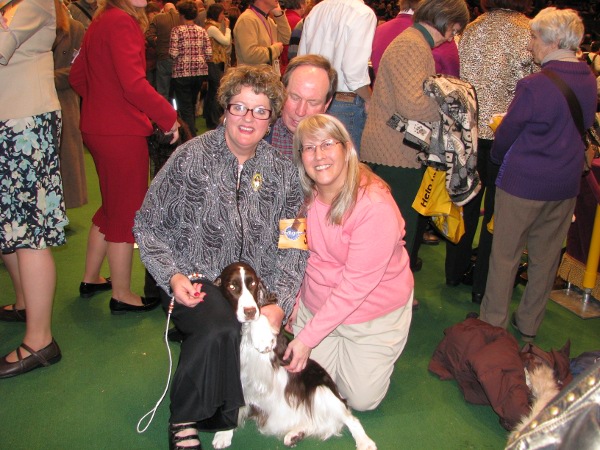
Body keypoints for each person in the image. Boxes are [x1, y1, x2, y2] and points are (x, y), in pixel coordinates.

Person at [133, 65, 308, 450]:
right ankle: (184, 417)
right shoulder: (188, 158)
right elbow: (147, 224)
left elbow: (294, 245)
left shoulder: (283, 174)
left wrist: (278, 301)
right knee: (220, 326)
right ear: (224, 110)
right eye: (239, 107)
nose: (248, 118)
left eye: (260, 110)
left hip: (257, 289)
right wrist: (172, 275)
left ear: (271, 119)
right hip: (194, 278)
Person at [479, 7, 597, 341]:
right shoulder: (588, 78)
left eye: (533, 37)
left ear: (553, 40)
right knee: (545, 260)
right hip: (565, 183)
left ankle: (492, 325)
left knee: (505, 256)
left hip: (523, 183)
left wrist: (499, 159)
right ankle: (528, 325)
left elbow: (506, 134)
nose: (529, 45)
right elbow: (584, 124)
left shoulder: (533, 85)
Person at [284, 114, 414, 411]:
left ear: (347, 149)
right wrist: (294, 304)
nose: (319, 155)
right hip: (317, 303)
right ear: (300, 156)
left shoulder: (374, 206)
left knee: (360, 400)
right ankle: (343, 352)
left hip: (371, 311)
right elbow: (292, 255)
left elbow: (356, 286)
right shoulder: (297, 198)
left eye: (328, 144)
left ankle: (373, 349)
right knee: (309, 389)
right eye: (309, 148)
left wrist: (306, 338)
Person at [69, 0, 179, 314]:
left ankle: (91, 279)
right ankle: (122, 294)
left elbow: (78, 77)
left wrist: (102, 102)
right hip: (120, 132)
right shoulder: (122, 22)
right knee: (127, 212)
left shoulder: (102, 20)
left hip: (98, 126)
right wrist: (168, 117)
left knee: (112, 205)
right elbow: (133, 84)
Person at [360, 0, 469, 277]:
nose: (454, 33)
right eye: (456, 27)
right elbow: (413, 105)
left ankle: (389, 289)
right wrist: (449, 104)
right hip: (394, 152)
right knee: (397, 229)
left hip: (393, 148)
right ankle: (393, 292)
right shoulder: (413, 45)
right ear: (448, 20)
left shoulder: (413, 42)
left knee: (389, 228)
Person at [0, 0, 68, 378]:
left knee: (30, 231)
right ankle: (26, 302)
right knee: (12, 225)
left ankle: (40, 340)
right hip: (11, 121)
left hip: (25, 124)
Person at [456, 0, 536, 304]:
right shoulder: (528, 32)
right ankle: (482, 284)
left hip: (469, 131)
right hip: (505, 134)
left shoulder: (472, 28)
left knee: (467, 203)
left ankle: (455, 270)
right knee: (496, 213)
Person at [298, 0, 376, 155]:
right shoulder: (363, 13)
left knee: (315, 160)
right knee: (346, 168)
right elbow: (353, 72)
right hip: (345, 103)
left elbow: (303, 60)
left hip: (316, 100)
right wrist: (370, 99)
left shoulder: (317, 10)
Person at [266, 54, 337, 158]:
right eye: (295, 97)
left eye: (312, 102)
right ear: (282, 92)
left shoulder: (336, 145)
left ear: (327, 104)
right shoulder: (260, 132)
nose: (300, 111)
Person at [53, 1, 88, 209]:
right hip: (31, 105)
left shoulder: (75, 29)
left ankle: (62, 207)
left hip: (65, 102)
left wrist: (44, 77)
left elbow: (78, 71)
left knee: (67, 160)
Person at [169, 0, 212, 137]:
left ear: (181, 15)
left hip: (181, 73)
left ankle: (190, 136)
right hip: (199, 72)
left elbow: (173, 53)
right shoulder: (202, 31)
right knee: (192, 103)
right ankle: (191, 131)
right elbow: (209, 54)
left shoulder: (176, 30)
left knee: (185, 107)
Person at [233, 0, 290, 72]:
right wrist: (275, 49)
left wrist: (279, 15)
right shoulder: (247, 20)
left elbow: (286, 38)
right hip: (252, 80)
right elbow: (250, 55)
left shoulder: (268, 20)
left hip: (267, 78)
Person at [203, 2, 231, 129]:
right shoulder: (212, 28)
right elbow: (226, 41)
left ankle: (209, 117)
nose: (223, 16)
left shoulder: (210, 26)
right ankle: (214, 120)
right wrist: (228, 27)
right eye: (221, 14)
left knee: (212, 91)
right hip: (213, 62)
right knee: (216, 91)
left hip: (214, 62)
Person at [146, 2, 179, 101]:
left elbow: (149, 37)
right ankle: (177, 113)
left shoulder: (158, 18)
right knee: (178, 90)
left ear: (164, 10)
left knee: (162, 90)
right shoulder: (182, 18)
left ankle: (164, 113)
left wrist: (157, 43)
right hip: (179, 59)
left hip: (163, 57)